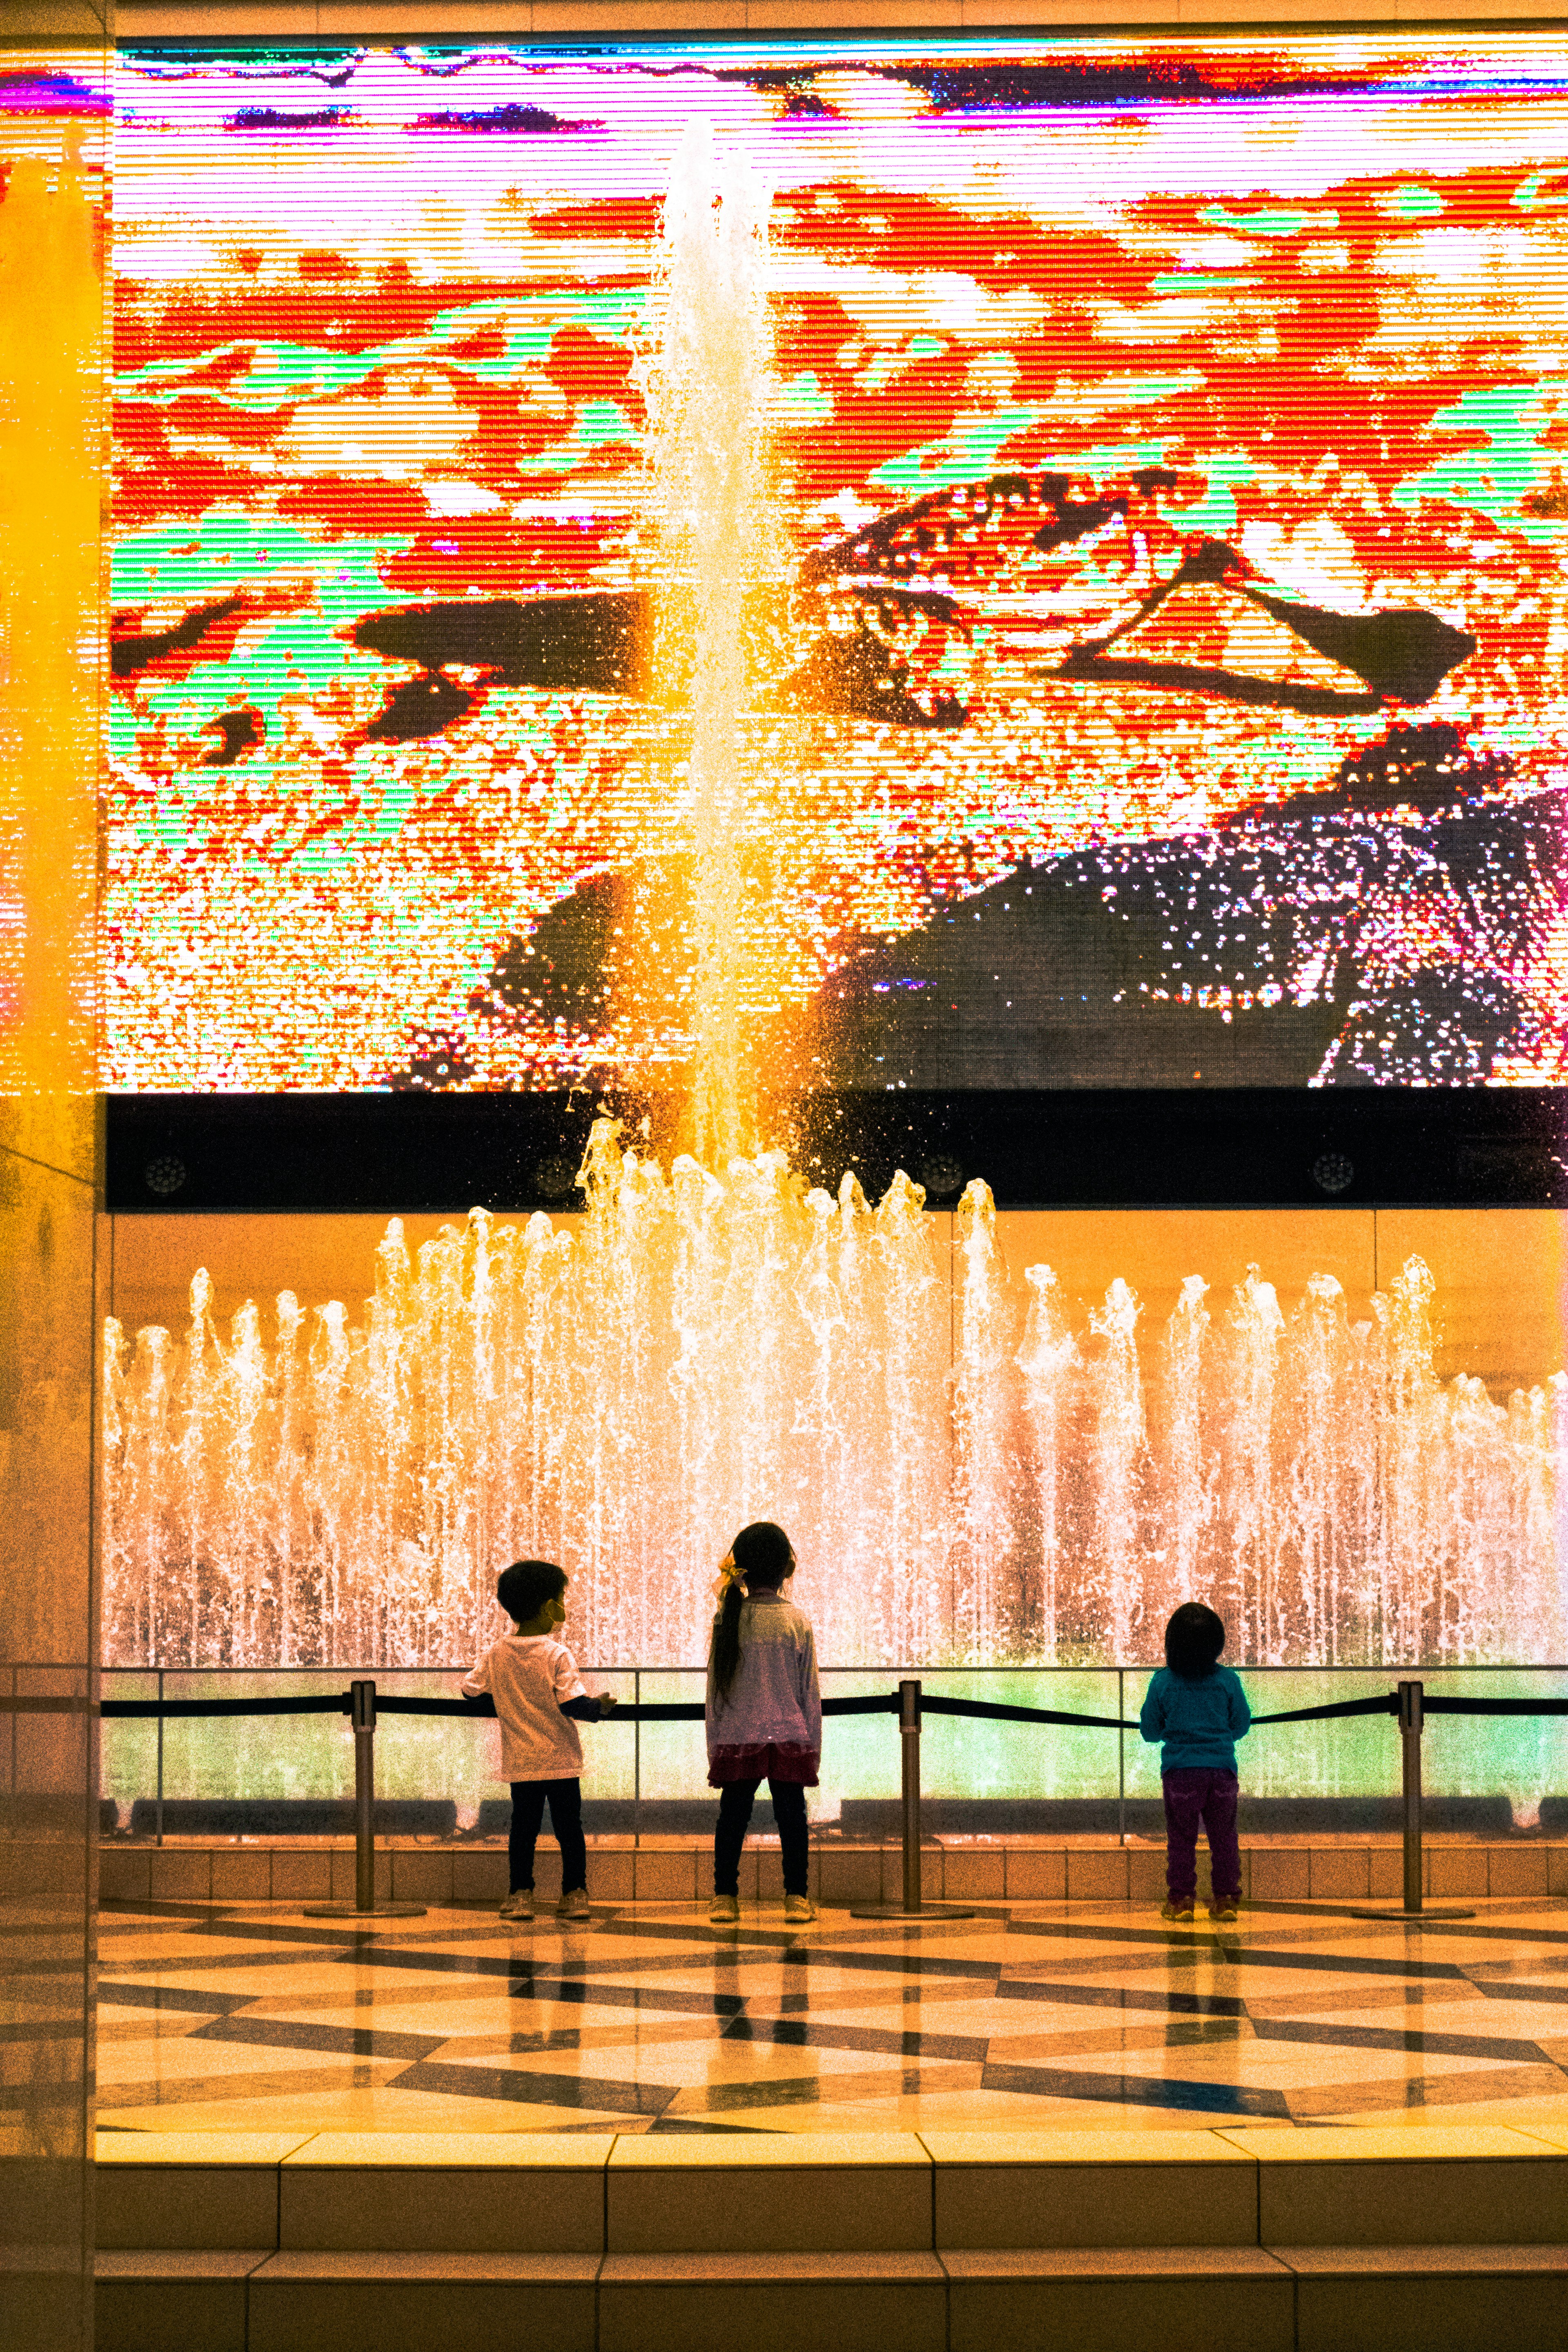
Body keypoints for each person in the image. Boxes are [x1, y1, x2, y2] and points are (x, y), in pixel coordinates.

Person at [461, 1559, 616, 1924]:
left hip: (522, 1762)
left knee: (523, 1830)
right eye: (562, 1599)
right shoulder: (556, 1654)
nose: (564, 1607)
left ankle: (520, 1895)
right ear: (549, 1607)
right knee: (569, 1829)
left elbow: (470, 1691)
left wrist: (503, 1700)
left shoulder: (497, 1653)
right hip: (561, 1760)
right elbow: (575, 1704)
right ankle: (575, 1893)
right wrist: (602, 1706)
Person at [706, 1521, 820, 1927]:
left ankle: (725, 1896)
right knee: (792, 1817)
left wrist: (715, 1746)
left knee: (732, 1816)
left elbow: (715, 1694)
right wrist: (814, 1748)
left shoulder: (727, 1620)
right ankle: (796, 1897)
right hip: (789, 1734)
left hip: (739, 1736)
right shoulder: (797, 1621)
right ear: (787, 1568)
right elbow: (810, 1693)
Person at [1139, 1601, 1251, 1926]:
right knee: (1225, 1838)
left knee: (1181, 1839)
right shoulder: (1228, 1681)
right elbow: (1241, 1724)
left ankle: (1182, 1900)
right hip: (1222, 1773)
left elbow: (1150, 1731)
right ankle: (1227, 1898)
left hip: (1180, 1774)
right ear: (1217, 1642)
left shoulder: (1163, 1682)